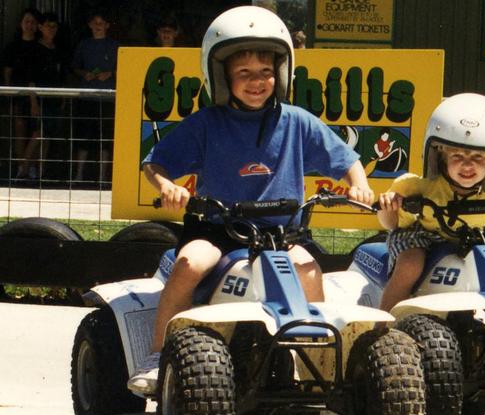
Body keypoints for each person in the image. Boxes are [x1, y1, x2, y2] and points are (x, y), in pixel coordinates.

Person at [128, 6, 374, 394]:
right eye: (244, 73)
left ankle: (316, 362)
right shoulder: (207, 123)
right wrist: (167, 187)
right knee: (190, 264)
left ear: (281, 73)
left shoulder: (297, 121)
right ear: (222, 76)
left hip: (283, 234)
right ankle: (159, 354)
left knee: (309, 268)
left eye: (265, 72)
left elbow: (347, 160)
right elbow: (154, 164)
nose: (256, 81)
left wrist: (359, 185)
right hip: (219, 229)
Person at [377, 93, 485, 312]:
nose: (467, 165)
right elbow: (390, 223)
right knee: (410, 265)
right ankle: (383, 328)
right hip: (422, 236)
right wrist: (389, 205)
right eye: (457, 156)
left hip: (473, 236)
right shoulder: (419, 187)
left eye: (478, 157)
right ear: (440, 157)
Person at [70, 11, 119, 186]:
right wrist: (85, 74)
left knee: (105, 138)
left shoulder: (115, 45)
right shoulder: (84, 44)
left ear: (107, 26)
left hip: (108, 98)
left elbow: (124, 68)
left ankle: (102, 177)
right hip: (87, 96)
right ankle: (79, 175)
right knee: (84, 137)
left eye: (101, 22)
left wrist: (111, 73)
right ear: (90, 25)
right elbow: (75, 67)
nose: (98, 25)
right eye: (95, 22)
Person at [1, 8, 41, 180]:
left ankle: (30, 166)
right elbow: (7, 72)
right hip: (18, 94)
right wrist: (9, 92)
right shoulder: (12, 46)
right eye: (26, 21)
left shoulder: (40, 46)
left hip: (37, 95)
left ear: (37, 25)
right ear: (20, 24)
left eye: (32, 22)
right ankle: (20, 167)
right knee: (19, 131)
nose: (29, 25)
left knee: (36, 131)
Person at [31, 12, 68, 180]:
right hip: (39, 99)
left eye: (54, 26)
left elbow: (62, 77)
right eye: (48, 26)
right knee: (37, 134)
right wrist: (33, 102)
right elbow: (31, 79)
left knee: (47, 137)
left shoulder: (59, 50)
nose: (51, 29)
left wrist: (63, 98)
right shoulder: (35, 49)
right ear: (40, 28)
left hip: (55, 99)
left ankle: (40, 172)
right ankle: (22, 168)